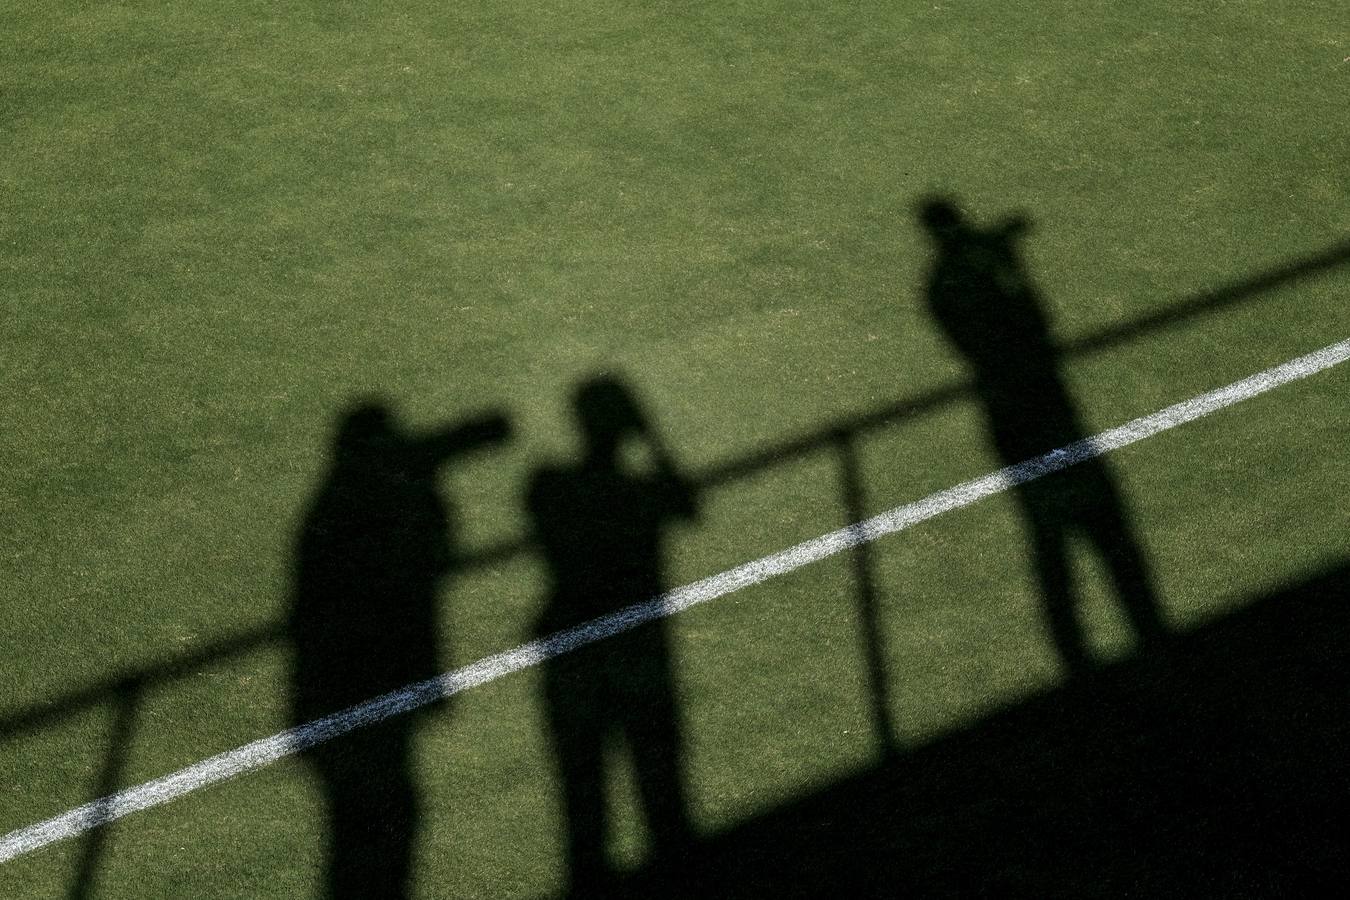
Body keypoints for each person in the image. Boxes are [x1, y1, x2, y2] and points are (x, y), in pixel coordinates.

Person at [918, 198, 1167, 673]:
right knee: (1084, 534)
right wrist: (1009, 270)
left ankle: (1080, 655)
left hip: (1012, 420)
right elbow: (1034, 321)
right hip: (1038, 411)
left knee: (1052, 541)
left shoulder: (939, 287)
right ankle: (1138, 638)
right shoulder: (968, 281)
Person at [290, 401, 509, 899]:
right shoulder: (360, 509)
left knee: (371, 825)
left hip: (355, 692)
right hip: (366, 682)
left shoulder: (338, 504)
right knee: (381, 822)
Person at [529, 376, 697, 894]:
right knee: (662, 799)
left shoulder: (548, 486)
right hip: (637, 656)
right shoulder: (639, 492)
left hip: (575, 663)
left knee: (585, 810)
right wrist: (650, 435)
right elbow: (688, 503)